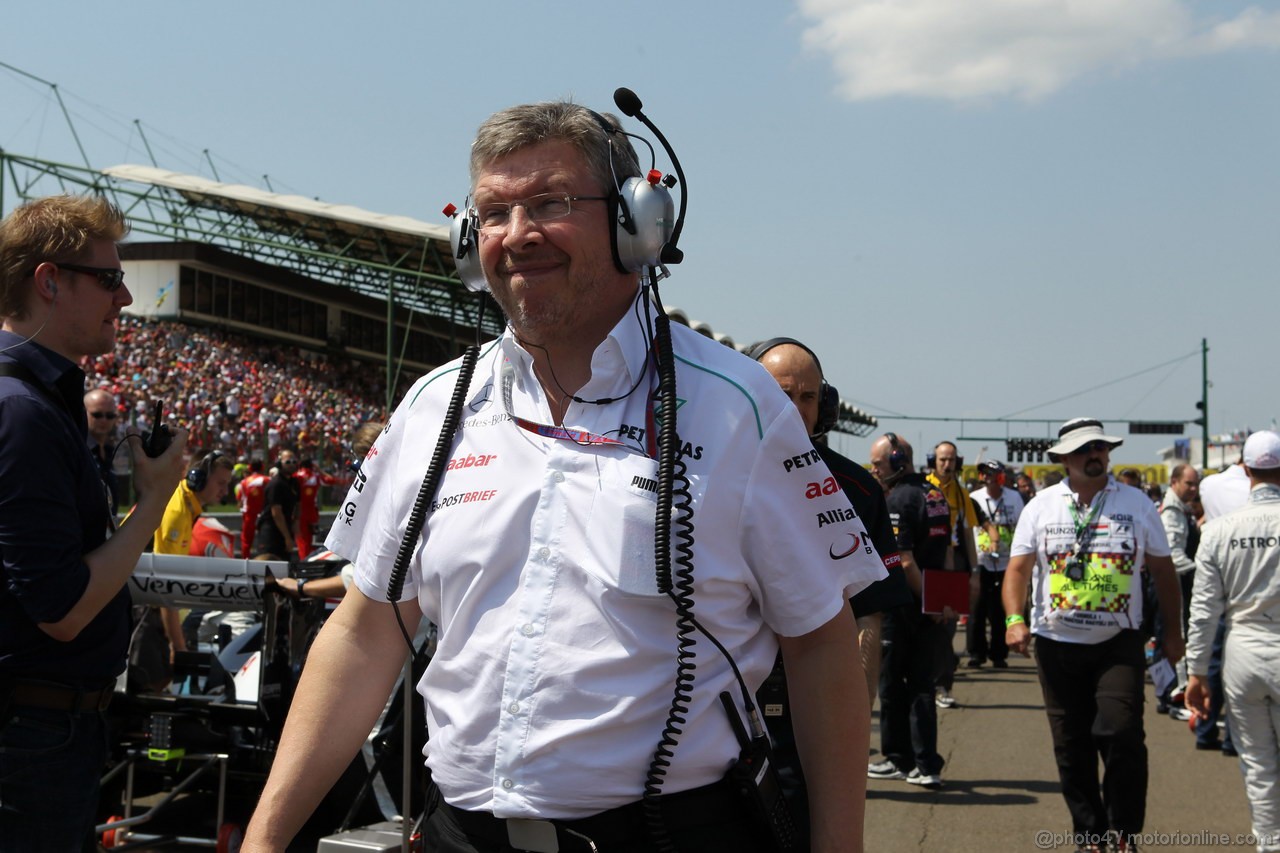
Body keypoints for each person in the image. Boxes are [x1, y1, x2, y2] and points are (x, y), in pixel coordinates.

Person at [244, 100, 884, 853]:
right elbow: (363, 634)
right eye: (494, 212)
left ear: (634, 221)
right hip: (459, 834)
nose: (518, 235)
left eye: (549, 203)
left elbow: (821, 649)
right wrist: (265, 839)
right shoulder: (431, 406)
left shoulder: (740, 407)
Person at [0, 194, 187, 849]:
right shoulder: (22, 411)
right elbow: (63, 608)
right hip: (31, 738)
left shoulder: (33, 401)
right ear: (49, 280)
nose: (126, 297)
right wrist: (154, 501)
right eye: (109, 278)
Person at [1004, 418, 1183, 853]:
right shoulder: (1040, 506)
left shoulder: (1137, 503)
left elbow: (1163, 571)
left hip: (1118, 642)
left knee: (1120, 732)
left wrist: (1174, 634)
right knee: (1072, 745)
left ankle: (1123, 832)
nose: (1095, 455)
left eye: (1101, 447)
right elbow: (1018, 570)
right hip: (1055, 642)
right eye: (1085, 449)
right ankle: (1090, 834)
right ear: (1064, 458)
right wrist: (1014, 619)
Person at [752, 338, 911, 824]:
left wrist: (853, 716)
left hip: (811, 702)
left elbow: (869, 614)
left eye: (808, 397)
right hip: (721, 708)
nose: (797, 409)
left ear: (826, 407)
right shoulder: (698, 473)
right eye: (783, 394)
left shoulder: (858, 490)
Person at [1186, 430, 1280, 852]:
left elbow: (1205, 610)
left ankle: (1269, 844)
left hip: (1243, 650)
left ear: (1245, 470)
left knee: (1259, 764)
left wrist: (1196, 672)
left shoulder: (1219, 530)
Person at [867, 432, 951, 789]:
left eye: (878, 464)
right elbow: (947, 553)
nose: (873, 470)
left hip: (905, 607)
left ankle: (902, 759)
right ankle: (923, 762)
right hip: (933, 605)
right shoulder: (936, 494)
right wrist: (942, 603)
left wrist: (928, 601)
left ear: (898, 461)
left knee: (892, 684)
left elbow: (904, 562)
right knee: (922, 684)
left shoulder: (898, 499)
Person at [967, 459, 1024, 668]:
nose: (987, 477)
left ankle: (999, 654)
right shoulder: (974, 498)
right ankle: (976, 653)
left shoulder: (1015, 497)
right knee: (977, 609)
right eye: (984, 473)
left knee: (1000, 610)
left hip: (1006, 561)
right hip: (981, 560)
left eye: (992, 473)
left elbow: (1020, 525)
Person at [1154, 462, 1200, 717]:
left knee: (1167, 638)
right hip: (1174, 583)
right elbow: (1173, 555)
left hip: (1175, 581)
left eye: (1196, 484)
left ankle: (1167, 694)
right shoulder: (1172, 510)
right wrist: (1203, 572)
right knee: (1174, 637)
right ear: (1174, 482)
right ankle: (1172, 694)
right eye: (1188, 483)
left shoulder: (1180, 508)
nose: (1193, 489)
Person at [251, 449, 300, 560]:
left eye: (294, 462)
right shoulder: (276, 484)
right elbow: (276, 512)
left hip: (286, 528)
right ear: (279, 463)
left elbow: (298, 503)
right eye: (288, 462)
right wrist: (287, 537)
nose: (291, 464)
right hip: (271, 531)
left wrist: (296, 521)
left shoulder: (294, 483)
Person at [85, 386, 123, 514]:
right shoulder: (78, 450)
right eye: (97, 415)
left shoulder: (109, 451)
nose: (104, 420)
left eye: (110, 415)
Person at [292, 457, 337, 559]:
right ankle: (308, 559)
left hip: (299, 513)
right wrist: (320, 470)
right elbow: (331, 480)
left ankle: (304, 562)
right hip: (312, 513)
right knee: (309, 540)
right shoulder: (316, 476)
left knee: (301, 541)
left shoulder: (295, 476)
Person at [236, 459, 270, 558]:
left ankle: (245, 559)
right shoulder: (267, 480)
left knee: (246, 540)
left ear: (250, 468)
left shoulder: (244, 482)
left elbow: (240, 499)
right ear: (262, 467)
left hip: (249, 514)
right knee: (265, 538)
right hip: (264, 513)